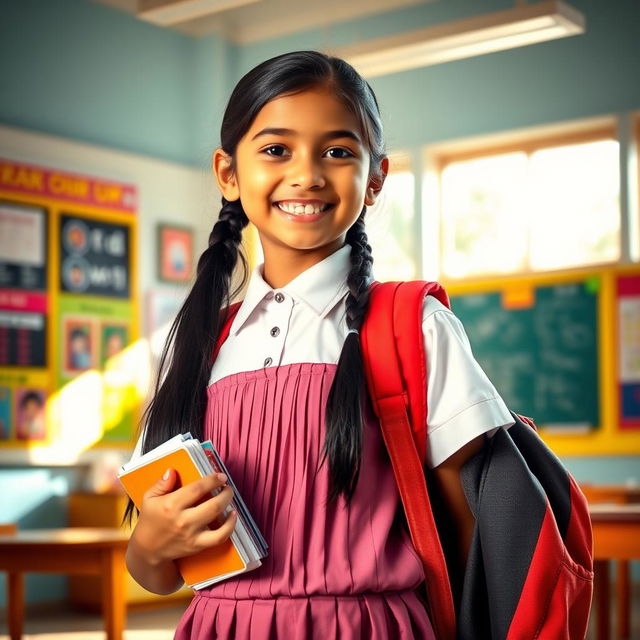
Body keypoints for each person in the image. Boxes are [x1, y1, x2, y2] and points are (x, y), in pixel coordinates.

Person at [123, 50, 514, 639]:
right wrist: (151, 544)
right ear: (228, 174)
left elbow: (468, 528)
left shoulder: (415, 324)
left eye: (337, 151)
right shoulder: (204, 343)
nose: (306, 174)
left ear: (375, 178)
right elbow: (157, 575)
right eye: (276, 149)